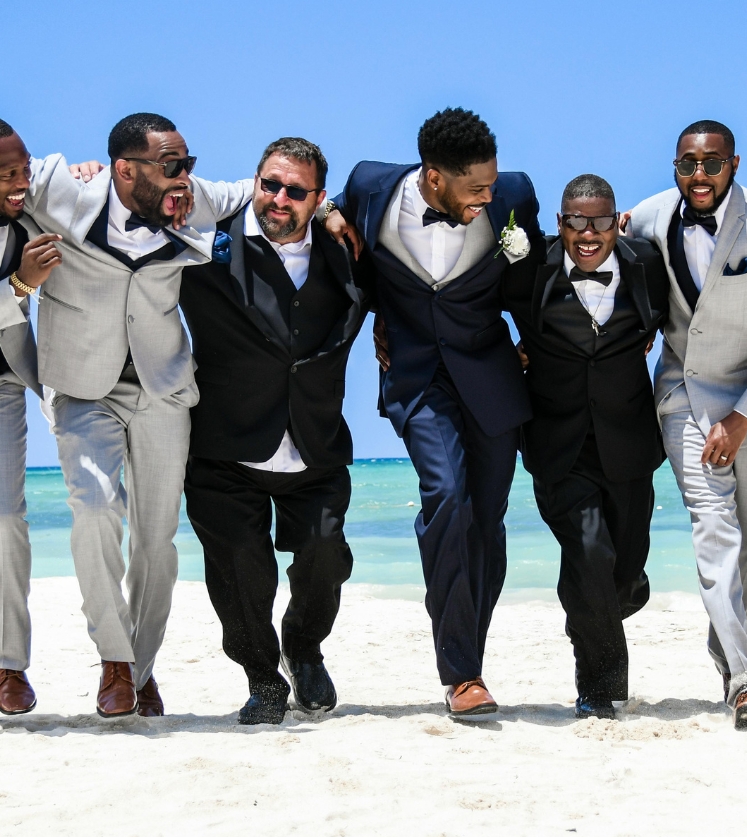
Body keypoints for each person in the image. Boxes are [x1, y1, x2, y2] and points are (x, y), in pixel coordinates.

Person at [24, 113, 252, 717]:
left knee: (157, 539)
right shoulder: (60, 189)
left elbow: (264, 190)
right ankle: (115, 662)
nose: (184, 179)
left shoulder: (191, 196)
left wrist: (329, 209)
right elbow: (9, 184)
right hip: (82, 387)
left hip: (161, 388)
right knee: (95, 507)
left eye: (188, 164)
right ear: (125, 169)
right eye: (170, 166)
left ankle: (142, 667)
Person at [324, 108, 543, 717]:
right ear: (434, 177)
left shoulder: (514, 197)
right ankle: (462, 673)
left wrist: (537, 345)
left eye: (491, 185)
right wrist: (327, 213)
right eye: (475, 188)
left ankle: (469, 653)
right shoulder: (371, 185)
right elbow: (328, 205)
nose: (488, 196)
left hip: (493, 377)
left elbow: (533, 276)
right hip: (417, 378)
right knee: (446, 495)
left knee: (488, 521)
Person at [180, 137, 372, 725]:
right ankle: (263, 677)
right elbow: (136, 199)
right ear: (254, 182)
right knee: (240, 569)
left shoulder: (347, 253)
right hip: (224, 445)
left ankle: (304, 646)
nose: (279, 199)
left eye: (296, 190)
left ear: (318, 198)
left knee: (324, 555)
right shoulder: (206, 248)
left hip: (314, 442)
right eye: (270, 184)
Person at [628, 120, 747, 729]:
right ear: (674, 166)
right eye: (687, 165)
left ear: (734, 163)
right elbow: (598, 236)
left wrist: (742, 418)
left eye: (710, 164)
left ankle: (727, 645)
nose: (698, 176)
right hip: (684, 395)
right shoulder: (652, 216)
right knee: (714, 532)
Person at [504, 174, 667, 719]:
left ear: (617, 222)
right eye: (576, 221)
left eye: (599, 221)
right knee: (589, 554)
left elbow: (677, 316)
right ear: (560, 223)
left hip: (629, 445)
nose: (588, 234)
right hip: (558, 447)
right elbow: (470, 309)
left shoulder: (647, 265)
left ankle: (620, 592)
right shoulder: (531, 271)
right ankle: (599, 688)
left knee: (620, 572)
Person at [0, 120, 63, 714]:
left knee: (6, 518)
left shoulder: (31, 200)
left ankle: (8, 667)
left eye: (24, 168)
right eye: (7, 175)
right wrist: (20, 282)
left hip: (6, 381)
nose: (22, 183)